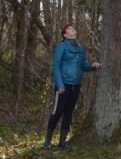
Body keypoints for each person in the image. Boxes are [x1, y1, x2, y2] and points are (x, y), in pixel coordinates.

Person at [42, 23, 100, 151]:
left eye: (73, 28)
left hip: (76, 85)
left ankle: (62, 142)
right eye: (69, 28)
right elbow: (56, 66)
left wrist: (92, 66)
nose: (73, 29)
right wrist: (60, 85)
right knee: (57, 112)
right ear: (65, 34)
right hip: (63, 85)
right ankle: (47, 141)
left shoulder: (80, 47)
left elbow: (83, 66)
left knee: (68, 113)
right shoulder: (61, 46)